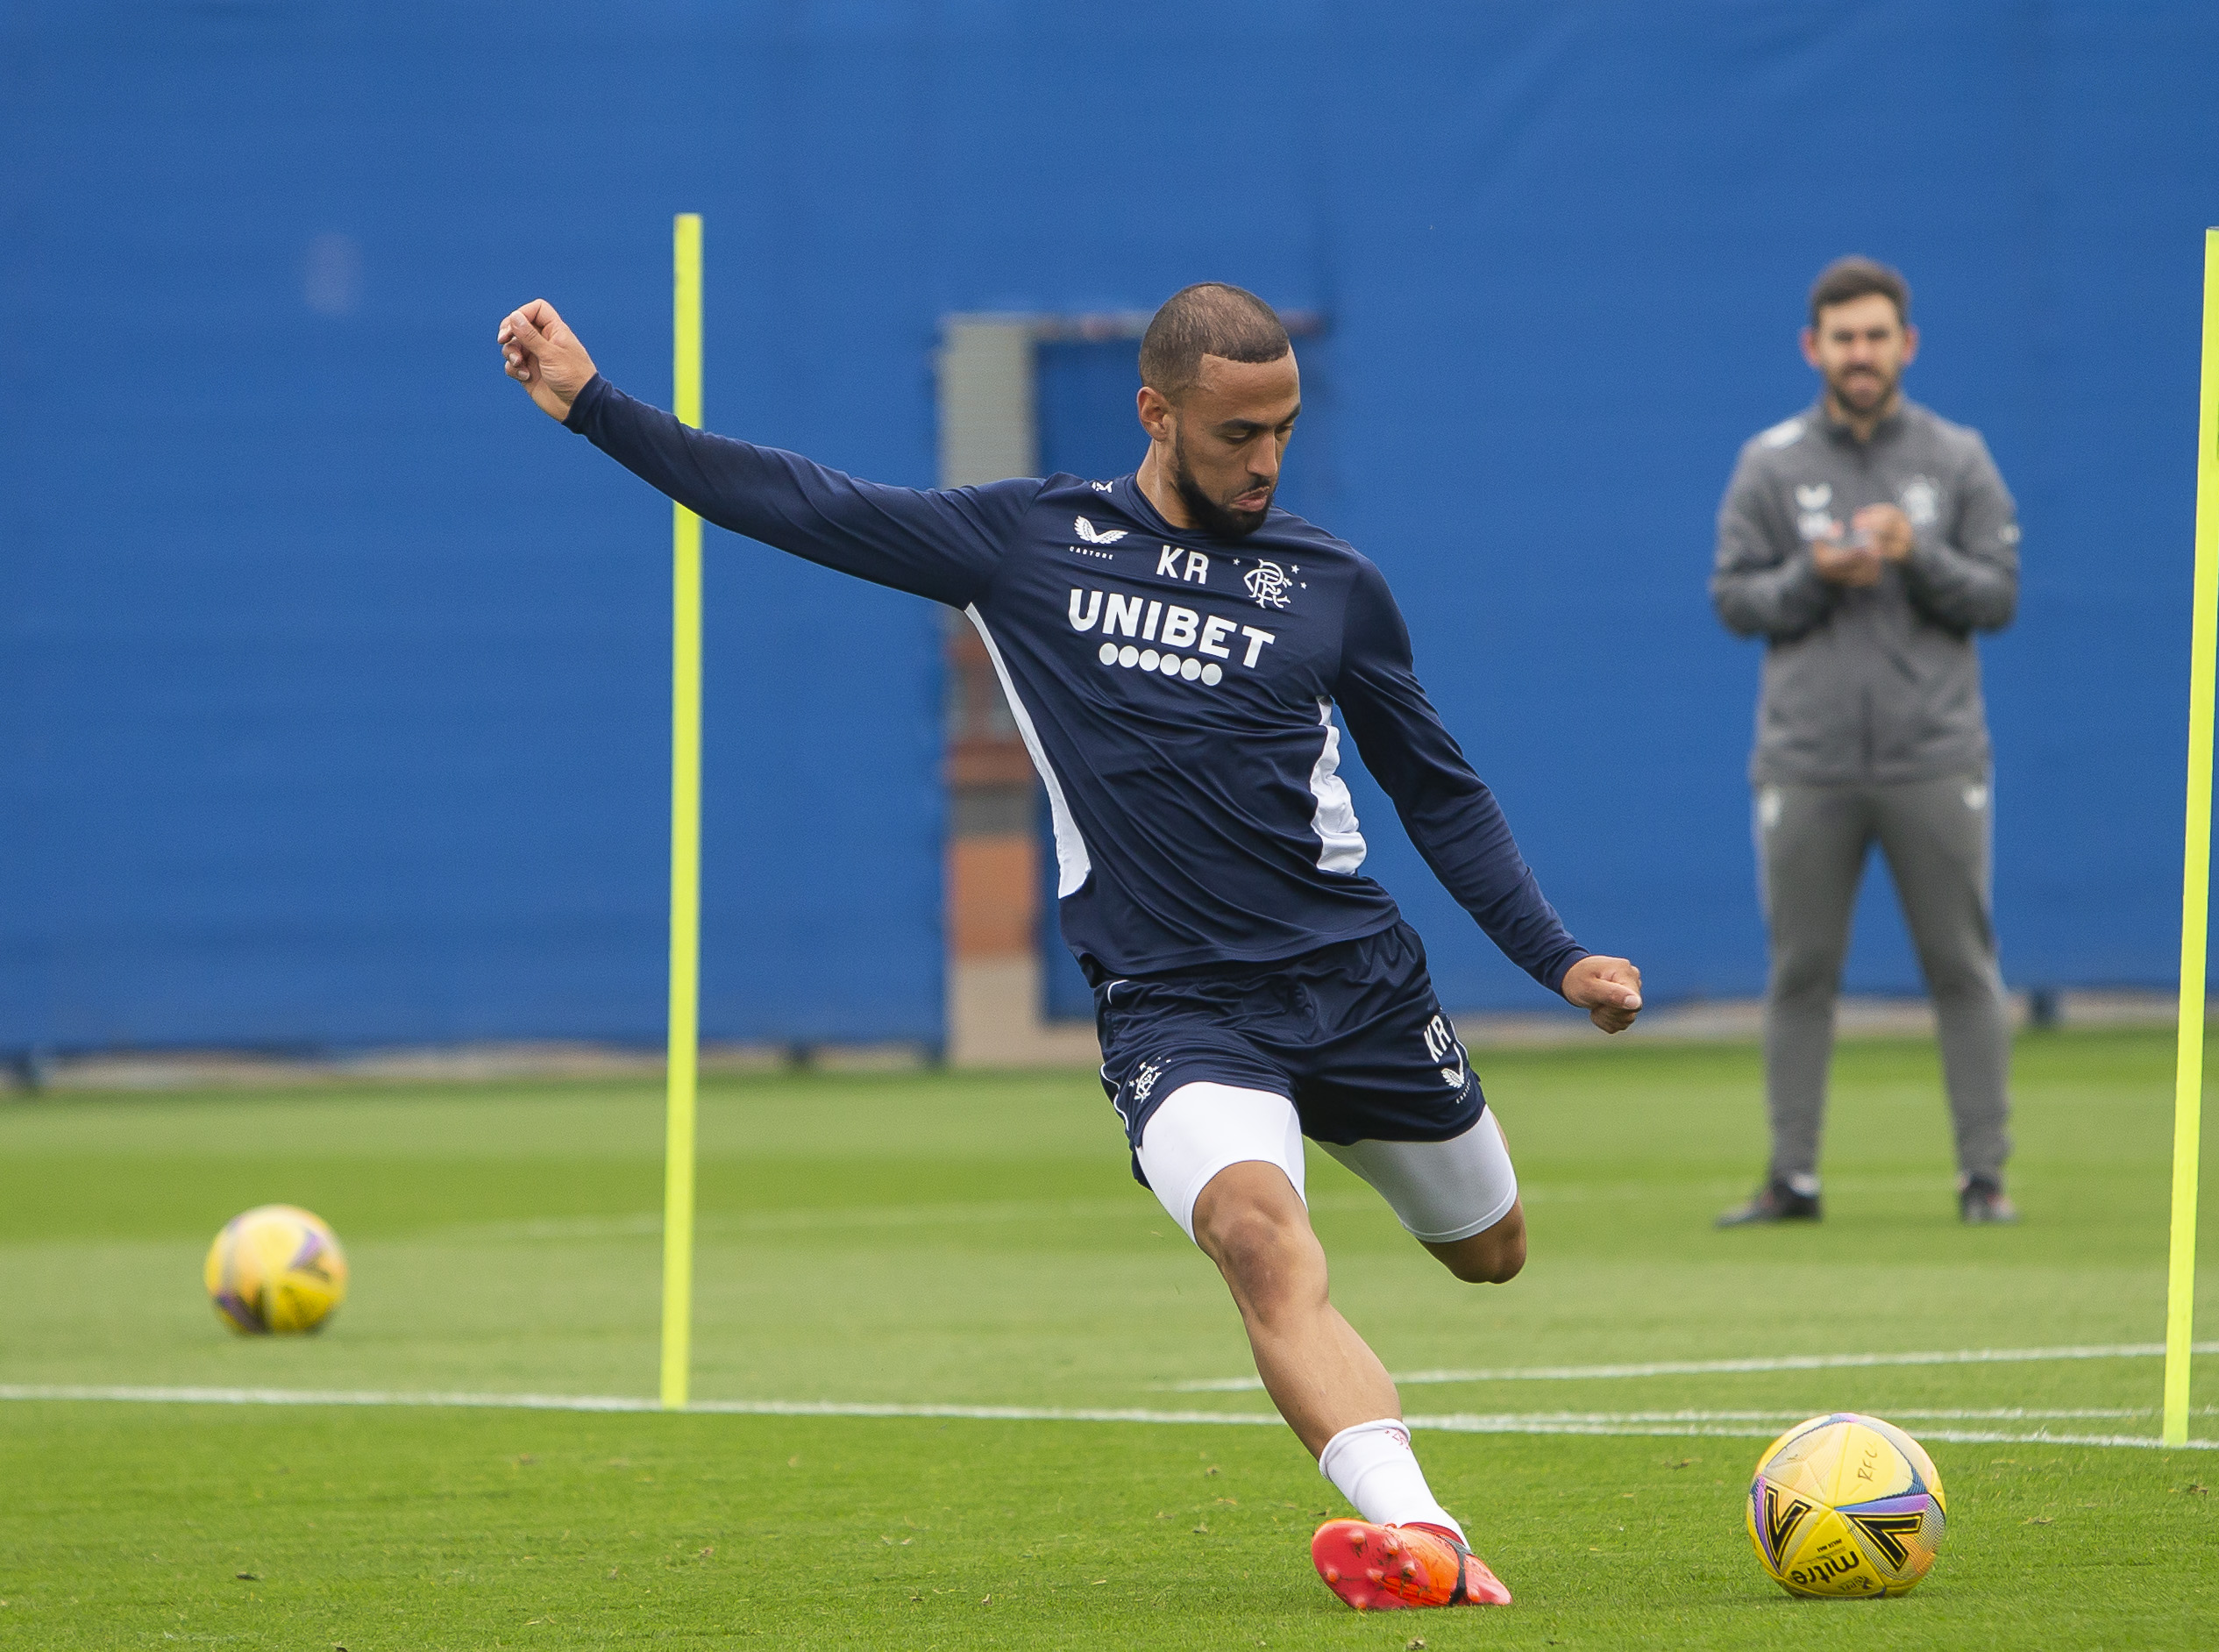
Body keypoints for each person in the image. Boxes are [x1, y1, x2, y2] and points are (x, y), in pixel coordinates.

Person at [499, 281, 1643, 1611]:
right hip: (1179, 1009)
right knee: (1258, 1239)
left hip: (1358, 988)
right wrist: (595, 407)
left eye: (1283, 430)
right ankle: (1422, 1537)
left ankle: (1419, 1381)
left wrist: (1555, 958)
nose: (1266, 460)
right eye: (1236, 434)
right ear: (1155, 413)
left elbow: (1435, 790)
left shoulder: (1333, 586)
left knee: (1489, 1253)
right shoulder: (1029, 542)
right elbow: (804, 503)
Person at [1708, 256, 2022, 1228]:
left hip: (1935, 755)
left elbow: (1998, 596)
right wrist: (1814, 572)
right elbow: (1733, 598)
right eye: (1843, 337)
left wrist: (1915, 554)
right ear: (1814, 347)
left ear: (1907, 345)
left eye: (1877, 336)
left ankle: (1984, 1180)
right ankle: (1792, 1179)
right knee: (1801, 972)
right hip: (1807, 761)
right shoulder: (1770, 463)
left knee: (1961, 966)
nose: (1861, 353)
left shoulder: (1956, 457)